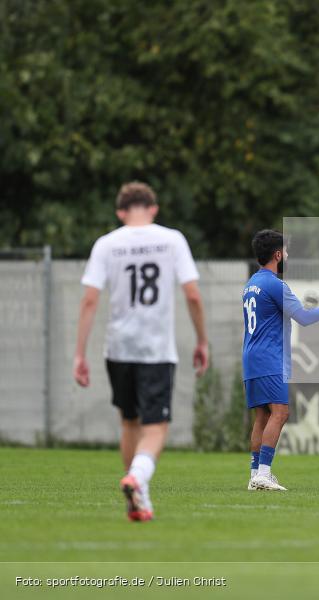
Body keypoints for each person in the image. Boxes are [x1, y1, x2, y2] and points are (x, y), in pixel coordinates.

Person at [73, 181, 209, 521]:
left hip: (118, 348)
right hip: (155, 349)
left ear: (120, 211)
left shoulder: (107, 244)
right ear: (153, 208)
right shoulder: (172, 239)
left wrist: (79, 354)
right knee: (156, 426)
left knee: (129, 422)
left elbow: (90, 300)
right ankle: (138, 477)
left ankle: (138, 497)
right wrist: (202, 340)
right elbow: (192, 295)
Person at [242, 230, 319, 491]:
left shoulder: (252, 283)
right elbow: (305, 318)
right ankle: (263, 473)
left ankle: (255, 475)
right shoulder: (275, 284)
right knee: (281, 412)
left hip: (251, 356)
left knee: (262, 415)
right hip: (269, 358)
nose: (287, 256)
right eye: (285, 252)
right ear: (277, 254)